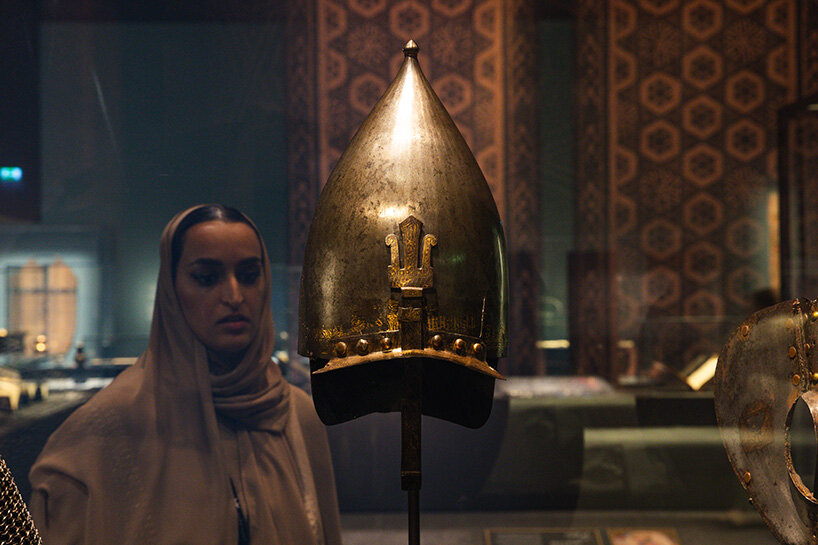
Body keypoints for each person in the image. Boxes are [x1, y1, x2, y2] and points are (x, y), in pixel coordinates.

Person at [28, 204, 342, 545]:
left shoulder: (295, 415)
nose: (234, 296)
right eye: (206, 278)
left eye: (250, 275)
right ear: (171, 288)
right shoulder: (106, 428)